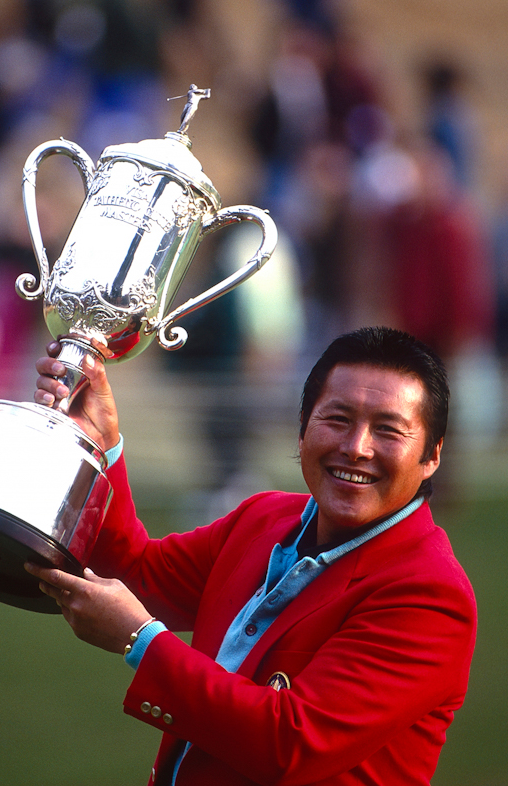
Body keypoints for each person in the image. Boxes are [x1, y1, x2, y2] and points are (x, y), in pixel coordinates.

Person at [27, 326, 476, 786]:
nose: (356, 447)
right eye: (338, 419)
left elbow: (290, 743)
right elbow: (136, 575)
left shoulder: (430, 594)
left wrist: (142, 642)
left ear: (432, 455)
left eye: (388, 430)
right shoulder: (262, 517)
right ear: (302, 429)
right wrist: (99, 442)